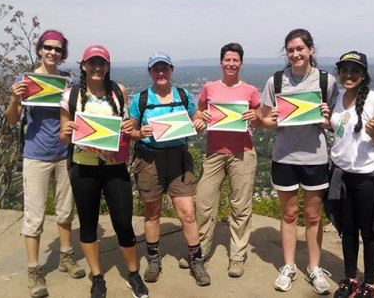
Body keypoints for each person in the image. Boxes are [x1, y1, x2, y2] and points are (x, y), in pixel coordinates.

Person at [58, 45, 149, 298]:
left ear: (108, 66)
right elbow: (64, 136)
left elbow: (125, 128)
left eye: (102, 63)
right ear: (83, 65)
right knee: (88, 224)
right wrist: (65, 133)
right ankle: (97, 277)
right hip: (83, 167)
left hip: (114, 168)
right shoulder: (70, 96)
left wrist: (134, 128)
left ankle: (133, 274)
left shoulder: (118, 92)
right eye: (92, 63)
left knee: (123, 223)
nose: (97, 68)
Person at [6, 30, 85, 298]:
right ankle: (33, 270)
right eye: (48, 47)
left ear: (63, 54)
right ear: (40, 49)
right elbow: (11, 120)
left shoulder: (68, 82)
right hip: (36, 155)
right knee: (34, 216)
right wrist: (16, 98)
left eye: (58, 49)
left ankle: (66, 256)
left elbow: (77, 114)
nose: (53, 52)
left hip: (64, 154)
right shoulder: (25, 80)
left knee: (65, 211)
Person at [259, 28, 338, 294]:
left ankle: (314, 268)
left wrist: (325, 117)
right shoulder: (276, 81)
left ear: (311, 50)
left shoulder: (327, 81)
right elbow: (265, 122)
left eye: (300, 49)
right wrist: (277, 118)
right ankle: (289, 266)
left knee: (314, 216)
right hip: (284, 157)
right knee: (289, 214)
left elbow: (334, 124)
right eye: (290, 50)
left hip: (315, 158)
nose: (295, 54)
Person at [325, 51, 374, 298]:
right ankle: (349, 279)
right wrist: (326, 122)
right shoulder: (337, 98)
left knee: (368, 233)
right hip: (341, 175)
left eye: (355, 71)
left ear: (363, 75)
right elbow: (340, 129)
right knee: (347, 231)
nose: (348, 75)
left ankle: (368, 283)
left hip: (366, 177)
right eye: (344, 70)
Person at [128, 52, 210, 286]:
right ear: (150, 72)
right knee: (152, 213)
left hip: (178, 159)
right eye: (156, 69)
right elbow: (130, 131)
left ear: (171, 70)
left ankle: (196, 260)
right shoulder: (141, 99)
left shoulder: (183, 95)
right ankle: (154, 259)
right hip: (149, 159)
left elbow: (196, 121)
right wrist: (139, 133)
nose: (161, 73)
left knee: (188, 213)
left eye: (165, 69)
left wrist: (200, 123)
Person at [193, 42, 261, 277]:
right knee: (203, 203)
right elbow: (198, 111)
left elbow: (260, 119)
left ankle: (237, 257)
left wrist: (256, 115)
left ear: (241, 63)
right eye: (227, 60)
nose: (231, 64)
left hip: (242, 152)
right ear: (221, 62)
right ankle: (199, 253)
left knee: (241, 206)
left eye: (235, 60)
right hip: (214, 152)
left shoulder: (250, 90)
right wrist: (199, 116)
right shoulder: (209, 87)